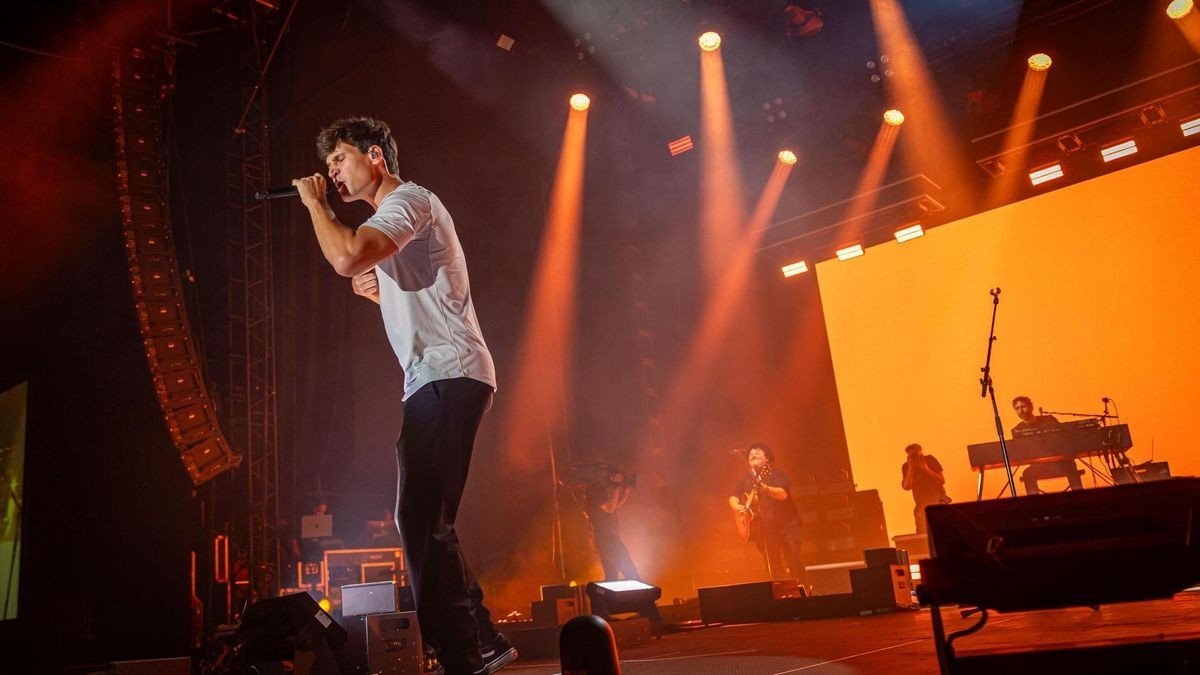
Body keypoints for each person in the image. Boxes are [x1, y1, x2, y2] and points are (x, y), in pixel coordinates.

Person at [293, 117, 514, 674]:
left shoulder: (409, 200)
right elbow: (406, 291)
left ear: (375, 157)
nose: (331, 173)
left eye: (339, 160)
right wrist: (380, 291)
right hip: (440, 376)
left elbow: (345, 257)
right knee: (428, 519)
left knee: (418, 518)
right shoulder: (394, 227)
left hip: (447, 374)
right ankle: (481, 637)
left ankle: (462, 653)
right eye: (326, 169)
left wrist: (315, 205)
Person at [726, 444, 804, 581]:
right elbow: (733, 497)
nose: (753, 453)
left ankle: (800, 591)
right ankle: (780, 594)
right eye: (751, 453)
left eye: (757, 452)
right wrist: (738, 508)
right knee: (773, 564)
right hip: (766, 527)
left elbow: (783, 494)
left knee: (793, 559)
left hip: (788, 525)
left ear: (767, 459)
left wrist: (765, 489)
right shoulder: (745, 479)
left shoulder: (776, 474)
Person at [1011, 395, 1083, 494]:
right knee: (1027, 473)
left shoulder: (1049, 420)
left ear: (1031, 407)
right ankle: (1035, 506)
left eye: (1023, 406)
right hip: (1039, 466)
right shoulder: (1017, 430)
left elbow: (1064, 439)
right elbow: (1020, 452)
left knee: (1071, 466)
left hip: (1061, 463)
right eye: (1017, 408)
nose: (1021, 411)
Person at [581, 468, 640, 581]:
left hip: (604, 539)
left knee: (612, 576)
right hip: (607, 539)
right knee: (631, 573)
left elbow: (614, 505)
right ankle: (641, 598)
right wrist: (617, 485)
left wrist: (626, 491)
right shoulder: (594, 493)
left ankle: (609, 598)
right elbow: (610, 507)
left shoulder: (595, 492)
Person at [900, 443, 948, 534]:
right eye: (911, 455)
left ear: (921, 452)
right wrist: (910, 468)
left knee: (943, 530)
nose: (914, 457)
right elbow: (906, 486)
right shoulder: (906, 466)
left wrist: (926, 469)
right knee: (922, 533)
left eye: (916, 454)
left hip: (938, 500)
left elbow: (941, 480)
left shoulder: (930, 460)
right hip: (921, 505)